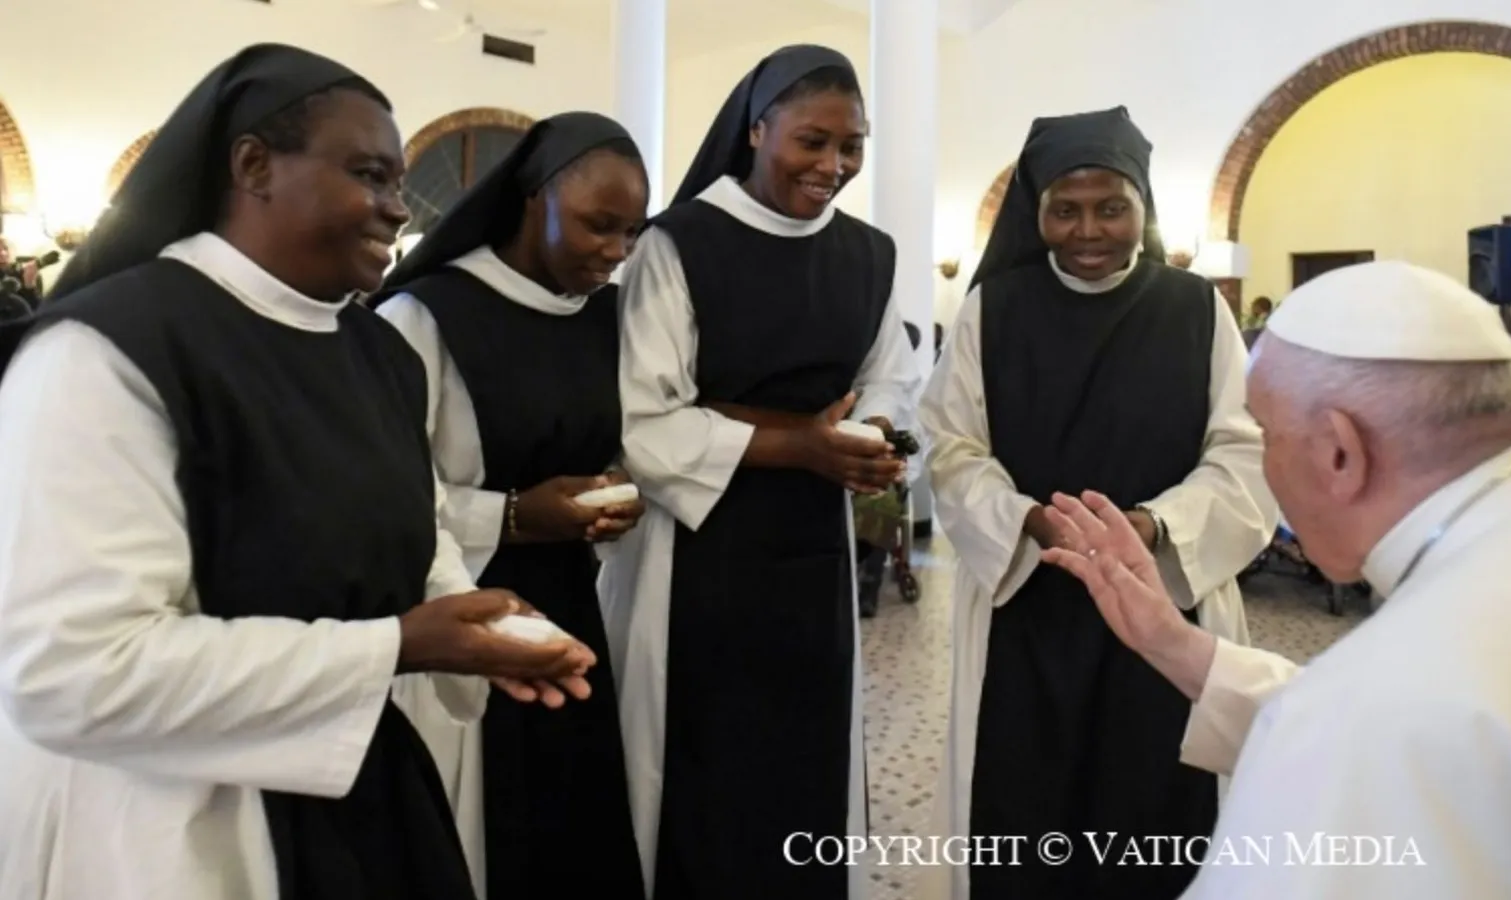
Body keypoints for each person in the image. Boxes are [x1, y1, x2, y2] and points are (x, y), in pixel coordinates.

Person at [0, 43, 597, 900]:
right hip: (170, 822)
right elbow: (73, 669)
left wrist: (465, 618)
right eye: (370, 175)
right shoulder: (106, 352)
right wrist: (399, 644)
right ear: (253, 166)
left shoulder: (379, 352)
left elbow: (414, 521)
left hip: (365, 789)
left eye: (400, 182)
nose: (398, 208)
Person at [1043, 261, 1511, 899]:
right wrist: (1174, 642)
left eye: (1266, 435)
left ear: (1339, 452)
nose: (1263, 467)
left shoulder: (1365, 713)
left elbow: (1372, 731)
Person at [918, 107, 1276, 900]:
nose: (1088, 231)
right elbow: (951, 446)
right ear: (1036, 211)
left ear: (1143, 206)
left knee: (1157, 818)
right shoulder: (993, 309)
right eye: (1065, 209)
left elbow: (1244, 449)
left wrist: (1153, 528)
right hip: (1027, 594)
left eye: (1111, 207)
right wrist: (1028, 520)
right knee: (1022, 811)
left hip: (1166, 602)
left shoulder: (1195, 308)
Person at [597, 43, 920, 900]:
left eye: (852, 146)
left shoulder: (870, 254)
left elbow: (892, 376)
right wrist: (804, 445)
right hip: (691, 555)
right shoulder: (680, 244)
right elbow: (644, 420)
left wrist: (870, 432)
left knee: (805, 765)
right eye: (813, 141)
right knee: (701, 776)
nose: (833, 165)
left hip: (814, 549)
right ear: (756, 130)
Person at [370, 111, 649, 900]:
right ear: (533, 198)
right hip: (461, 613)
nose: (616, 252)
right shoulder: (424, 316)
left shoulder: (608, 318)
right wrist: (517, 515)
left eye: (632, 233)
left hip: (572, 605)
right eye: (598, 225)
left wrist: (612, 500)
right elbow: (385, 500)